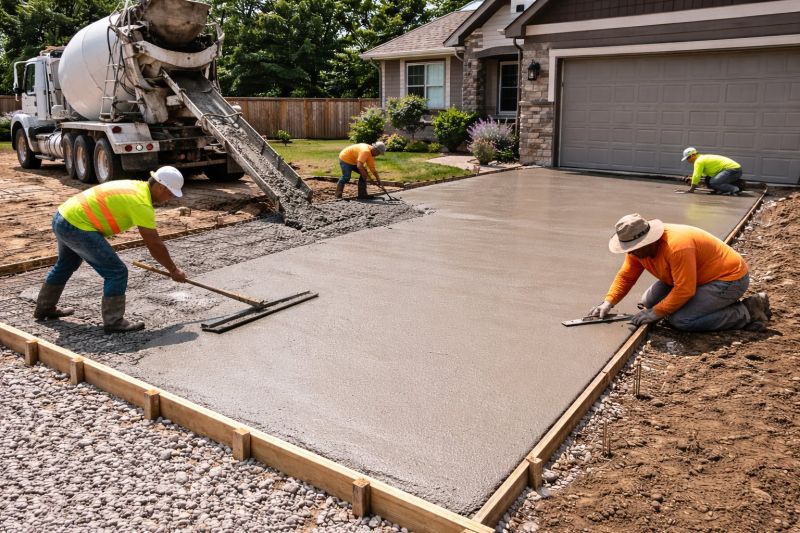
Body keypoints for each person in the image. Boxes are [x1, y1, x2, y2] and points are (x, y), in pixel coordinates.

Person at [33, 166, 188, 333]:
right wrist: (173, 269)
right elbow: (154, 243)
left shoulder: (136, 187)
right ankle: (114, 322)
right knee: (117, 272)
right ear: (161, 187)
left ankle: (44, 308)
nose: (169, 199)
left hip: (63, 217)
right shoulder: (141, 203)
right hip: (77, 225)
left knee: (66, 264)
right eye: (170, 194)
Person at [588, 213, 771, 332]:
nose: (630, 253)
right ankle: (708, 305)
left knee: (681, 320)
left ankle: (747, 311)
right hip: (696, 277)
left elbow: (685, 289)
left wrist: (658, 312)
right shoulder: (638, 250)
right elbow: (627, 276)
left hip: (728, 279)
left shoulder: (676, 246)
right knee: (648, 301)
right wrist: (608, 302)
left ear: (648, 241)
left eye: (632, 248)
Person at [679, 147, 744, 195]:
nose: (688, 160)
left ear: (693, 155)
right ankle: (722, 189)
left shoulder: (699, 161)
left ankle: (735, 189)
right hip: (734, 170)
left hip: (733, 170)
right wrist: (692, 178)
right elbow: (701, 174)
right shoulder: (702, 158)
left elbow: (697, 175)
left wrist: (691, 189)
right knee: (708, 179)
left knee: (713, 182)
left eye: (688, 158)